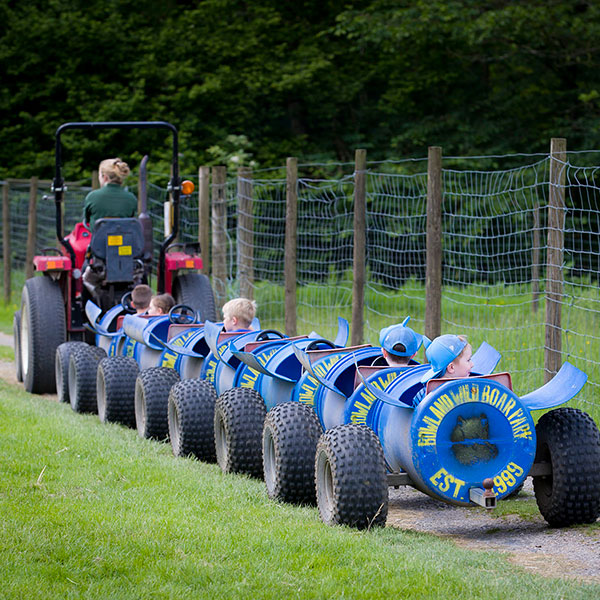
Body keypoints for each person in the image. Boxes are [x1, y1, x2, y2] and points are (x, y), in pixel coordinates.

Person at [412, 334, 473, 406]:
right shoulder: (467, 393)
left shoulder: (423, 394)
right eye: (468, 360)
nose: (472, 364)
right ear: (451, 367)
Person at [83, 158, 138, 229]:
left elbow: (87, 219)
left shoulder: (92, 197)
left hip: (98, 239)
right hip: (124, 239)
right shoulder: (131, 198)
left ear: (105, 177)